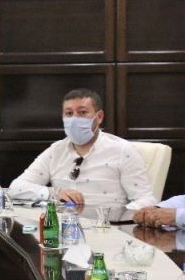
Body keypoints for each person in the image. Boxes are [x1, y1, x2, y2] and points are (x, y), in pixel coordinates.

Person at [8, 88, 155, 209]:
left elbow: (146, 200)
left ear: (99, 116)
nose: (74, 119)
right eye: (69, 113)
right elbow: (15, 188)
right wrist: (53, 193)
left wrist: (115, 219)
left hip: (108, 228)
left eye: (82, 112)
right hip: (64, 226)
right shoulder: (56, 151)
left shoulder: (123, 150)